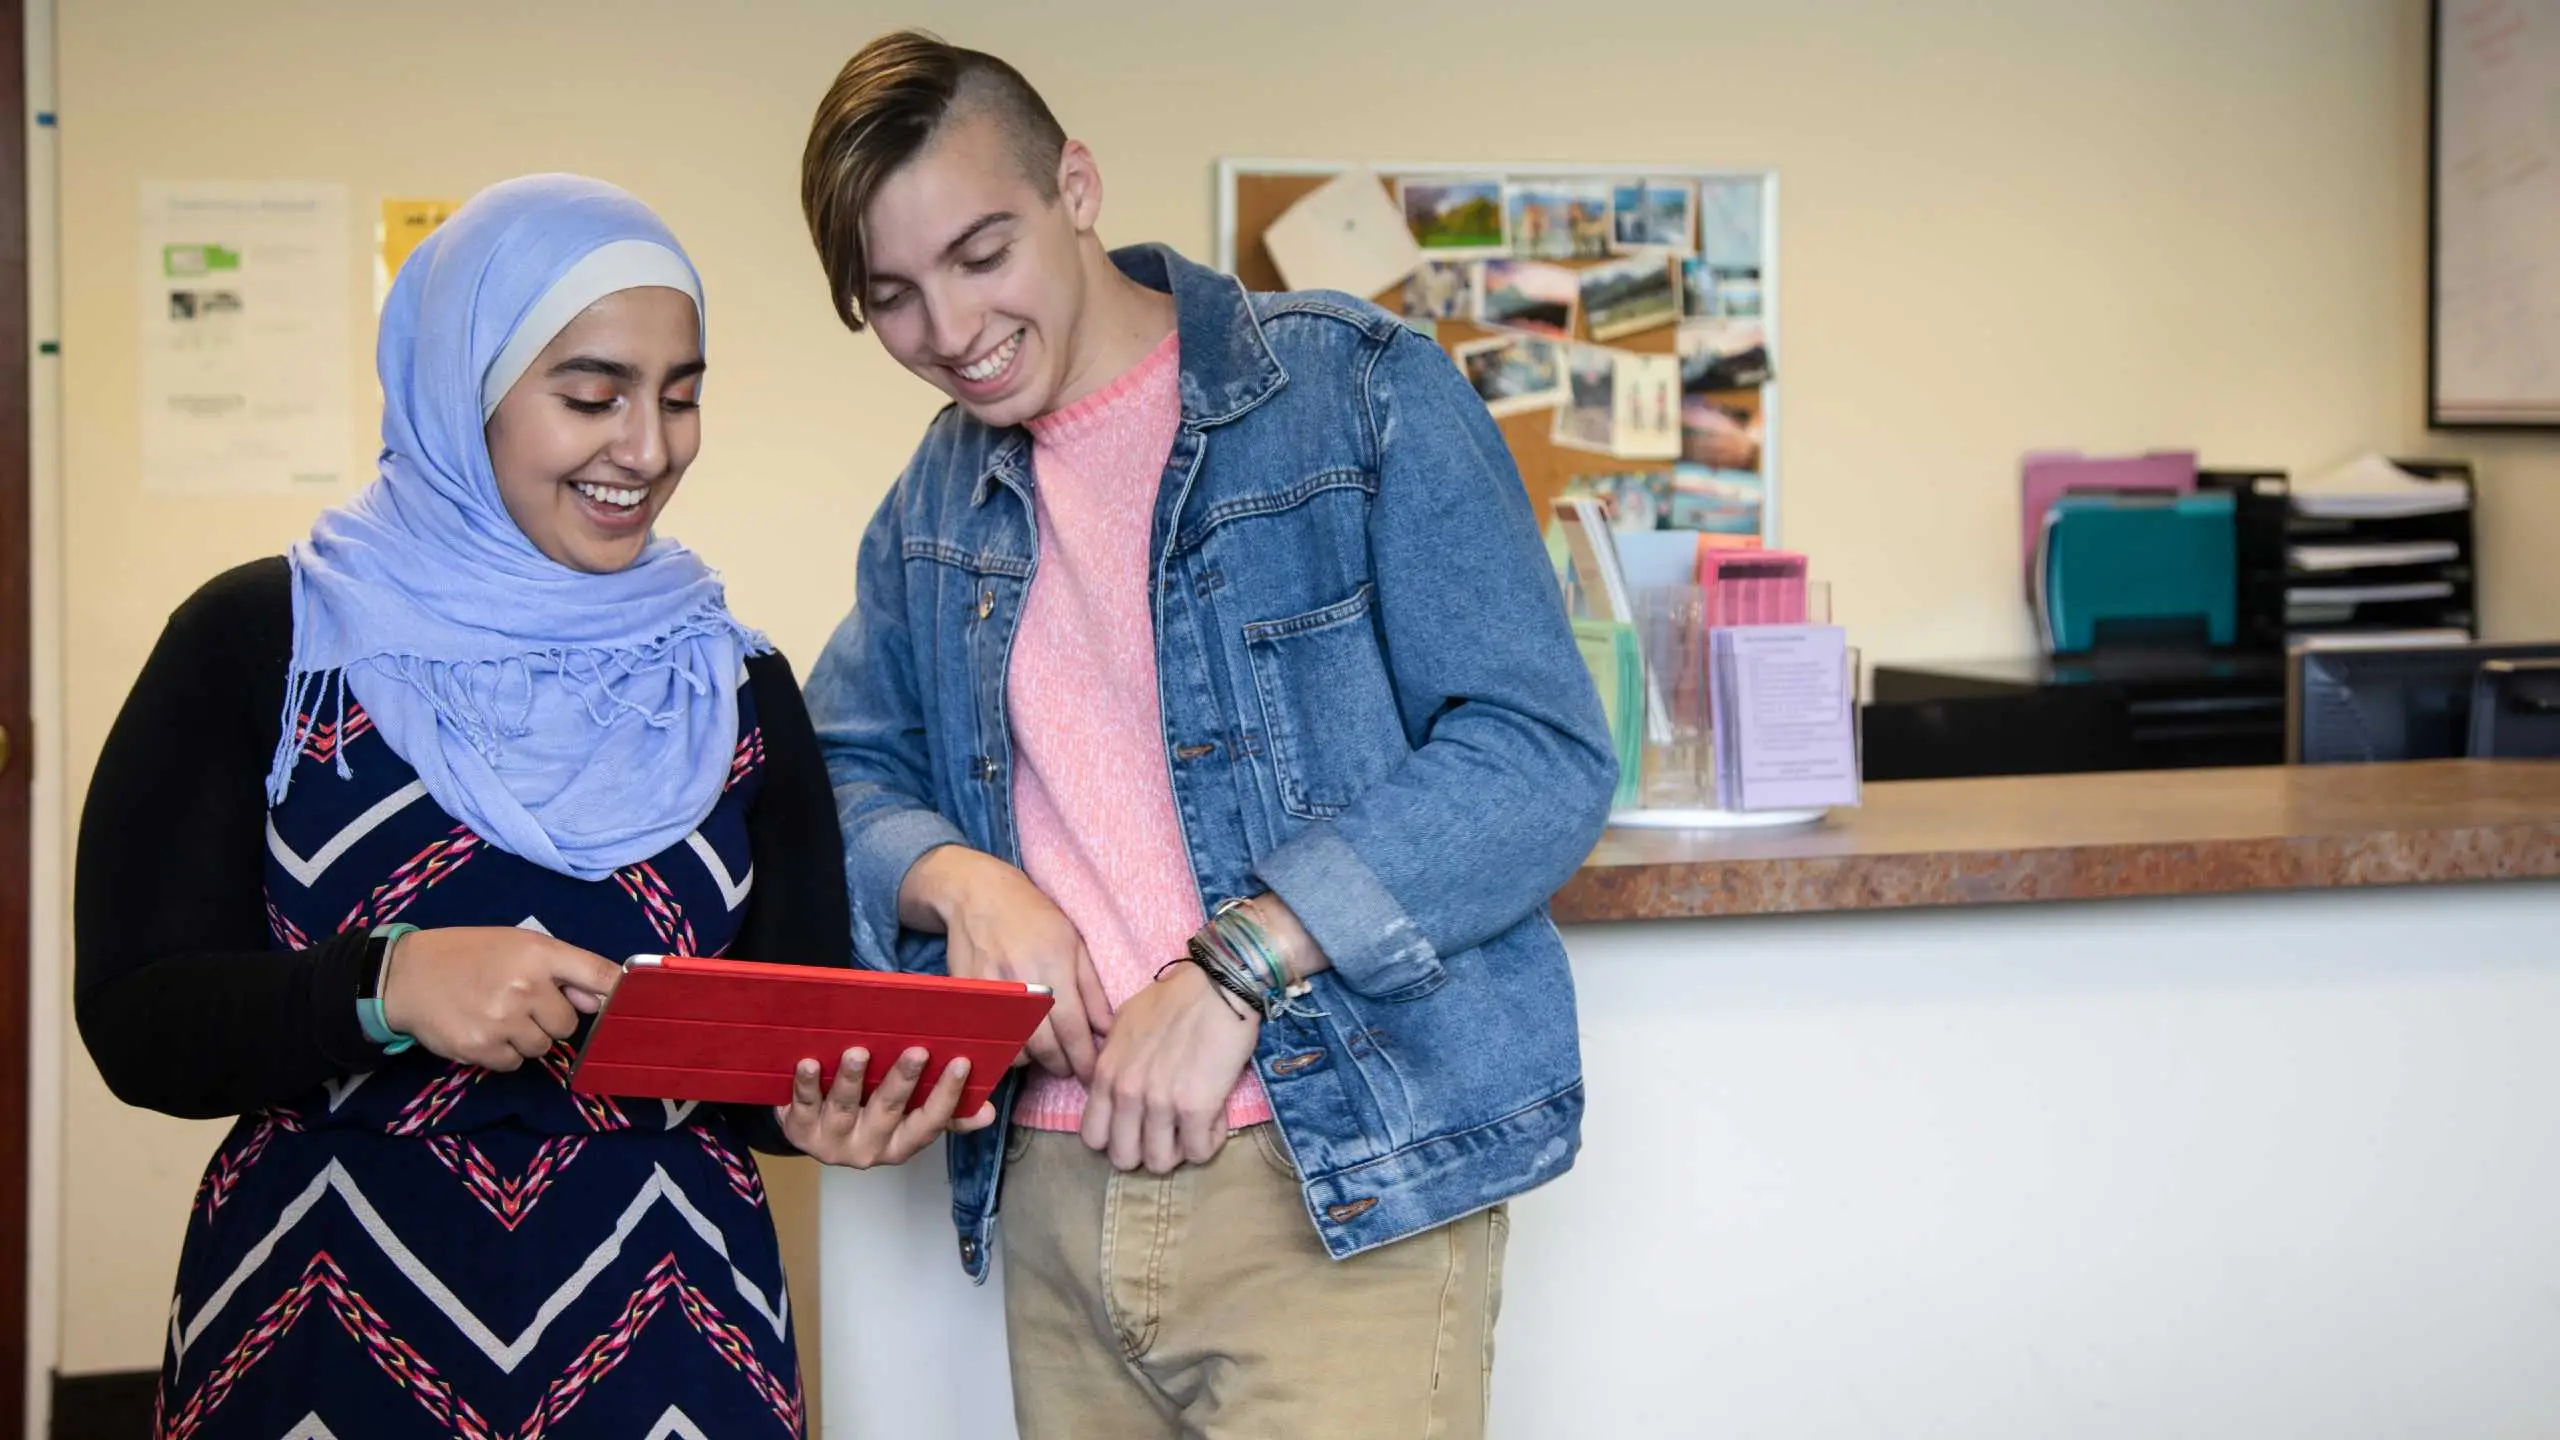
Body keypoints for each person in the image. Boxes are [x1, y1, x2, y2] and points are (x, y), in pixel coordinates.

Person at [798, 33, 1617, 1440]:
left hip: (1336, 1184)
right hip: (1053, 1197)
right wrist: (958, 879)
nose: (949, 329)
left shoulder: (1355, 393)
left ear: (1078, 185)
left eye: (982, 251)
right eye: (894, 298)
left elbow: (1537, 753)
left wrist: (1240, 962)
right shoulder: (932, 499)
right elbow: (844, 769)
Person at [75, 174, 985, 1439]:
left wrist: (819, 1109)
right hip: (320, 1317)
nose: (648, 448)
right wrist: (381, 985)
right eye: (591, 394)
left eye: (680, 394)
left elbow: (769, 1046)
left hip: (672, 1324)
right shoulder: (264, 640)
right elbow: (136, 1020)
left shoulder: (734, 681)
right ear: (467, 386)